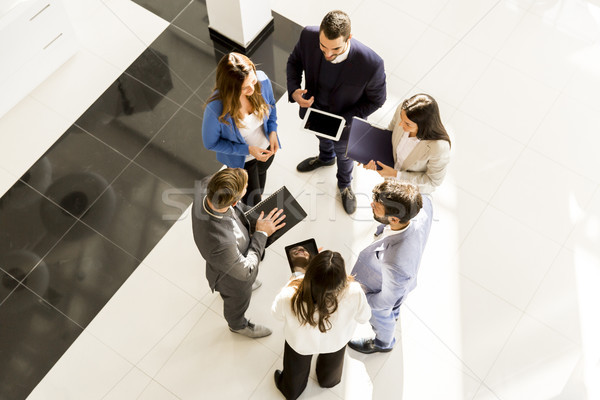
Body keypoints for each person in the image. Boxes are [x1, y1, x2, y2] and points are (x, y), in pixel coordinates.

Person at [287, 10, 386, 214]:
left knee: (344, 155)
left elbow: (377, 100)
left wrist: (345, 119)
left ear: (349, 38)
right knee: (322, 139)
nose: (328, 54)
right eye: (323, 47)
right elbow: (294, 61)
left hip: (346, 124)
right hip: (314, 112)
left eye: (335, 49)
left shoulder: (371, 64)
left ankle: (344, 184)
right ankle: (325, 158)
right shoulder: (308, 36)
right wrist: (294, 90)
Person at [192, 168, 285, 338]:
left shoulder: (206, 184)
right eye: (246, 187)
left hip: (227, 259)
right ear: (234, 202)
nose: (248, 185)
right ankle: (238, 325)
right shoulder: (221, 243)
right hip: (233, 279)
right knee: (238, 300)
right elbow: (245, 272)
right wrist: (261, 233)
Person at [272, 251, 370, 399]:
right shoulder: (355, 291)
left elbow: (276, 315)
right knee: (332, 365)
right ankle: (328, 381)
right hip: (336, 342)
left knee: (295, 369)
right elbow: (364, 317)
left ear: (310, 273)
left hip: (300, 345)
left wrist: (294, 279)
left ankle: (292, 391)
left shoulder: (290, 295)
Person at [348, 180, 432, 353]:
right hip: (400, 279)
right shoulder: (423, 204)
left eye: (377, 206)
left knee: (383, 315)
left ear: (394, 219)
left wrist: (364, 300)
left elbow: (386, 299)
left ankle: (383, 343)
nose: (371, 204)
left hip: (380, 291)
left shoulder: (396, 261)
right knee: (393, 306)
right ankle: (394, 314)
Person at [203, 52, 280, 206]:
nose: (252, 88)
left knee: (261, 179)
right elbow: (210, 143)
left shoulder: (262, 79)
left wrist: (272, 131)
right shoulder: (216, 109)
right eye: (244, 88)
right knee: (252, 202)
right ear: (230, 89)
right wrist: (248, 150)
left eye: (252, 81)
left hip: (266, 150)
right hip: (243, 161)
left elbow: (271, 105)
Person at [361, 93, 451, 194]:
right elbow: (389, 135)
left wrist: (396, 175)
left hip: (411, 192)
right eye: (401, 119)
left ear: (424, 126)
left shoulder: (439, 148)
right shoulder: (403, 111)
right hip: (390, 179)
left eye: (407, 124)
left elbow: (433, 181)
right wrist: (368, 155)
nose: (400, 124)